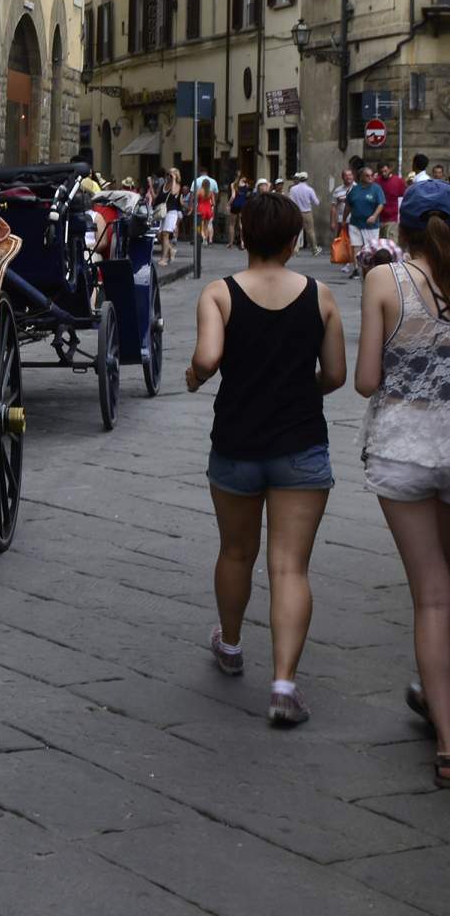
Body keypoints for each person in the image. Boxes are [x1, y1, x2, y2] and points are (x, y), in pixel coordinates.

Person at [186, 191, 346, 727]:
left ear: (244, 236)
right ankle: (283, 685)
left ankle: (230, 645)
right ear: (295, 240)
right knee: (289, 566)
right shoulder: (320, 294)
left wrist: (195, 375)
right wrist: (299, 389)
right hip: (300, 444)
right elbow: (338, 376)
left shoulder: (221, 292)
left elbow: (208, 358)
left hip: (235, 444)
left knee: (236, 553)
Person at [354, 178, 450, 787]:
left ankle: (447, 740)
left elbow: (366, 380)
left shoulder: (384, 281)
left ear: (403, 229)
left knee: (432, 597)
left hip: (404, 450)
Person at [345, 162, 386, 275]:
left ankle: (371, 268)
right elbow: (348, 205)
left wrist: (374, 216)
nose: (370, 178)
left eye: (371, 175)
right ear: (361, 177)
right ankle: (356, 269)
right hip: (355, 223)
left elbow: (381, 204)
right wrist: (344, 220)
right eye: (367, 175)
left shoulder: (376, 189)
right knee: (355, 246)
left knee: (371, 247)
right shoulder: (354, 190)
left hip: (371, 225)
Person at [288, 170, 320, 253]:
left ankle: (295, 249)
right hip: (307, 212)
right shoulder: (309, 189)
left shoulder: (293, 189)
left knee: (297, 231)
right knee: (311, 231)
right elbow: (316, 202)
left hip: (297, 212)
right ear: (307, 178)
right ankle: (314, 249)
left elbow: (290, 201)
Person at [193, 170, 219, 245]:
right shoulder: (211, 192)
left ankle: (203, 237)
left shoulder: (199, 191)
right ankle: (206, 240)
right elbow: (213, 203)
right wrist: (212, 207)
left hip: (201, 208)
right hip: (208, 209)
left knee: (200, 224)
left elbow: (195, 200)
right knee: (206, 225)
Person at [380, 161, 406, 230]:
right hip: (379, 218)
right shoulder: (377, 181)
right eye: (381, 172)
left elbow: (403, 198)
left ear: (390, 169)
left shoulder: (398, 181)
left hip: (393, 218)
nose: (383, 174)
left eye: (385, 171)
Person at [228, 175, 251, 248]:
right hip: (243, 205)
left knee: (232, 224)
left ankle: (231, 243)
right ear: (242, 178)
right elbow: (247, 195)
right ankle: (242, 242)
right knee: (241, 224)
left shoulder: (233, 185)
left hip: (235, 205)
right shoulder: (246, 185)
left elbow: (233, 196)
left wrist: (228, 204)